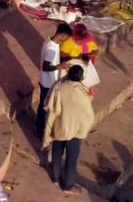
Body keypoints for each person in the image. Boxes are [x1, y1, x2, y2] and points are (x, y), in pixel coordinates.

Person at [43, 64, 94, 195]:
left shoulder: (59, 86)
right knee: (71, 158)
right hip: (74, 130)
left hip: (60, 126)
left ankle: (56, 178)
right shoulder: (82, 93)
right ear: (81, 78)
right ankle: (68, 186)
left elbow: (49, 104)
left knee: (57, 151)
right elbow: (88, 115)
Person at [37, 23, 73, 139]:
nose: (65, 41)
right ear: (62, 35)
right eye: (66, 38)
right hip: (48, 82)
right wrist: (60, 67)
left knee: (44, 104)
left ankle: (40, 126)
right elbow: (46, 66)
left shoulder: (50, 41)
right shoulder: (51, 48)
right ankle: (40, 130)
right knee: (45, 106)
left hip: (48, 80)